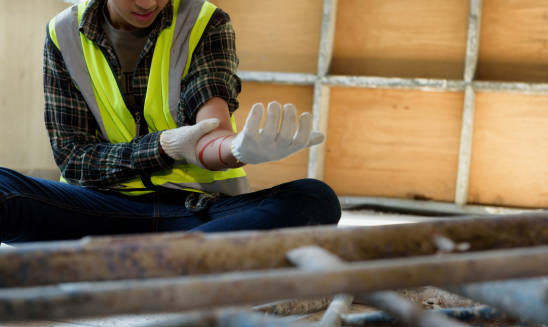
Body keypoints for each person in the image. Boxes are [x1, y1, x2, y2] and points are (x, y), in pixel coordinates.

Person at [0, 0, 341, 243]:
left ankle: (143, 262)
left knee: (314, 198)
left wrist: (234, 149)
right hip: (98, 206)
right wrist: (163, 147)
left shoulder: (205, 21)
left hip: (199, 210)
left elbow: (211, 126)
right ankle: (181, 262)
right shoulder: (63, 34)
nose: (148, 2)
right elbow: (74, 159)